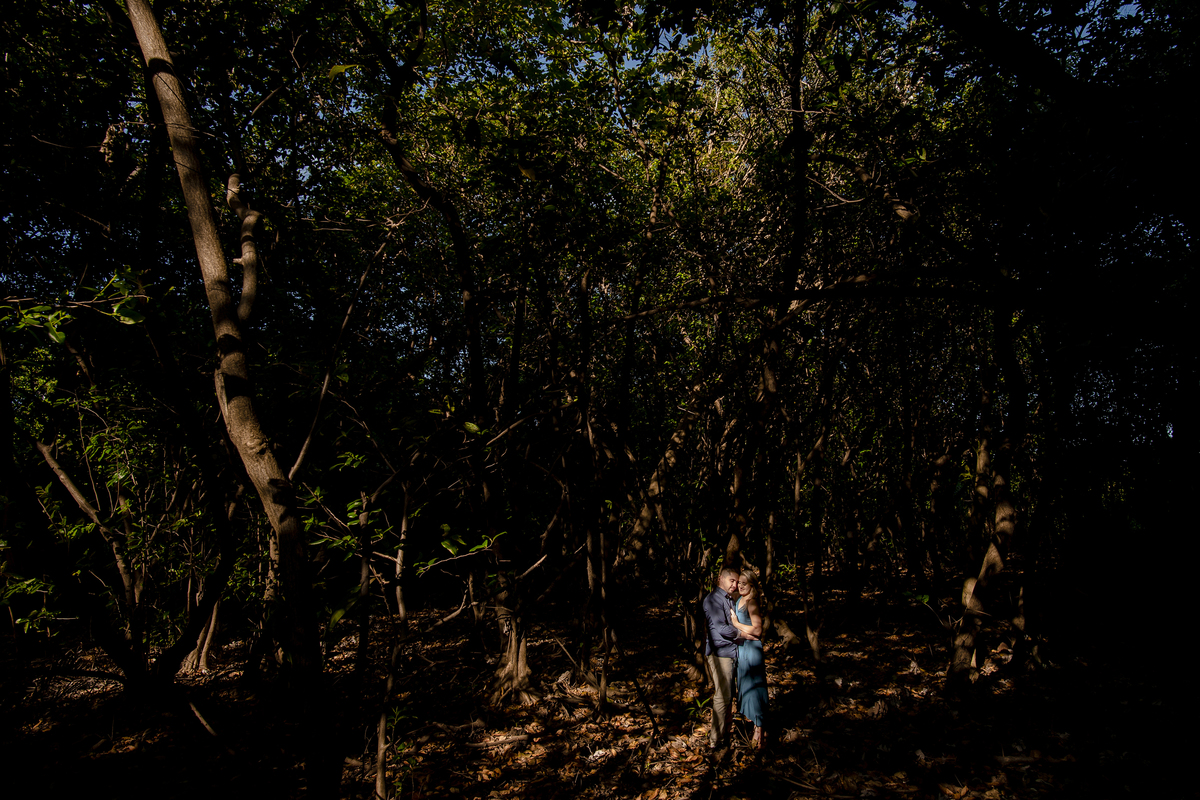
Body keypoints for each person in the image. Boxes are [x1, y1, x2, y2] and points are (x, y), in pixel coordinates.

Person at [702, 566, 743, 750]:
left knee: (728, 696)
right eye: (731, 581)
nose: (734, 585)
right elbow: (722, 629)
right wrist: (743, 633)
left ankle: (725, 734)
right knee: (723, 696)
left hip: (731, 652)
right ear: (720, 579)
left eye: (736, 581)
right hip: (720, 654)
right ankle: (715, 741)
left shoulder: (728, 599)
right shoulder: (713, 600)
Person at [729, 569, 768, 748]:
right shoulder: (739, 600)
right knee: (744, 687)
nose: (741, 586)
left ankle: (760, 732)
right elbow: (748, 633)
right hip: (743, 648)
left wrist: (738, 625)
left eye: (745, 583)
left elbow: (758, 631)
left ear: (752, 585)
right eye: (740, 583)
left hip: (752, 651)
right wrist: (745, 634)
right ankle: (754, 727)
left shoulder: (751, 603)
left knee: (754, 689)